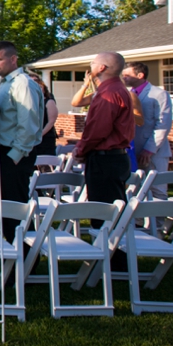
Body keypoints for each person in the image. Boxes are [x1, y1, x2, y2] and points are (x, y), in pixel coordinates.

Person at [0, 41, 44, 243]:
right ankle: (9, 249)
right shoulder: (1, 84)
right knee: (3, 207)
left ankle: (22, 256)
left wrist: (15, 156)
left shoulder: (23, 83)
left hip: (13, 155)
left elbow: (28, 124)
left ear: (13, 59)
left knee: (15, 207)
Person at [74, 53, 135, 223]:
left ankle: (109, 248)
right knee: (114, 210)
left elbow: (98, 128)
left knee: (104, 213)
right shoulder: (119, 89)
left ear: (102, 68)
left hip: (105, 160)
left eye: (93, 63)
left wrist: (81, 149)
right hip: (116, 157)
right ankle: (116, 247)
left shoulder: (109, 92)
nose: (90, 66)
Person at [122, 61, 173, 200]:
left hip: (154, 151)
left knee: (157, 190)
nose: (123, 78)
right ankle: (138, 221)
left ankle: (160, 221)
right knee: (135, 190)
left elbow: (163, 124)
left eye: (127, 75)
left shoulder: (159, 94)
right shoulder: (127, 94)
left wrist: (149, 149)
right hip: (133, 149)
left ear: (140, 75)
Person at [28, 73, 59, 157]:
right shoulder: (29, 102)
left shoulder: (49, 101)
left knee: (45, 165)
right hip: (32, 140)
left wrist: (39, 135)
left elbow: (51, 121)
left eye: (36, 82)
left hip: (45, 139)